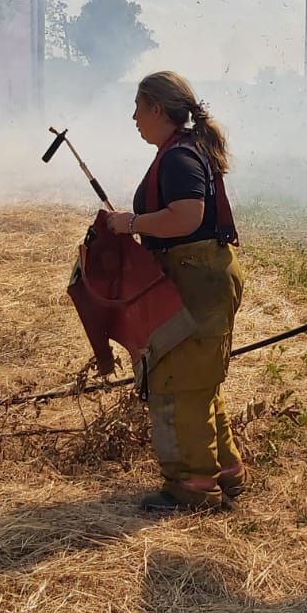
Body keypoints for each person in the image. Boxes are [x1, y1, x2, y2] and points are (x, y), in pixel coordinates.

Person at [103, 71, 246, 514]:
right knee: (200, 381)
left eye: (138, 108)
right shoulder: (185, 149)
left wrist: (131, 223)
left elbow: (186, 217)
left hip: (195, 280)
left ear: (157, 109)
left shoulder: (178, 158)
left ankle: (192, 487)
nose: (134, 117)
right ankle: (226, 472)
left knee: (178, 383)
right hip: (203, 277)